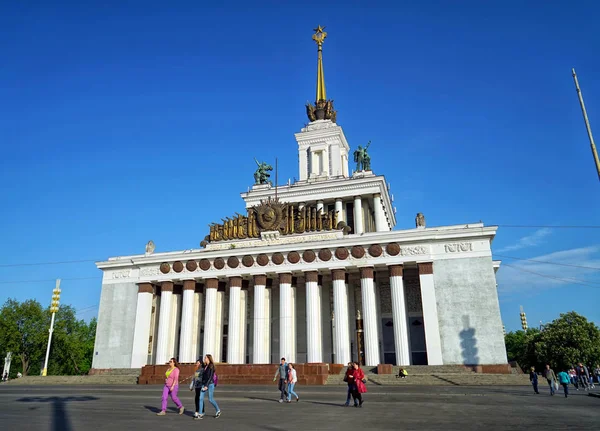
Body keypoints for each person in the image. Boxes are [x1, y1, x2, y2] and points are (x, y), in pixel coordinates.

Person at [198, 354, 221, 419]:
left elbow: (210, 377)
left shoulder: (211, 366)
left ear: (208, 359)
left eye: (205, 358)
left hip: (210, 384)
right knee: (201, 398)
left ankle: (218, 410)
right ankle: (200, 413)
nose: (204, 359)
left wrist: (206, 386)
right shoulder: (205, 366)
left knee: (210, 399)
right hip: (204, 384)